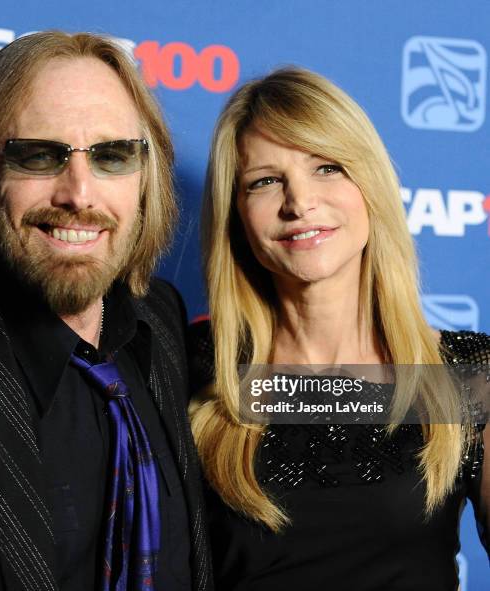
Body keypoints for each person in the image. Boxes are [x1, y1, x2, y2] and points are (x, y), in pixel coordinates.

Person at [0, 31, 212, 591]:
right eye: (38, 155)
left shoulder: (163, 326)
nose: (78, 193)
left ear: (147, 182)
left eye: (112, 156)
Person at [189, 66, 489, 590]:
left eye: (327, 168)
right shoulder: (189, 367)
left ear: (370, 183)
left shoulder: (467, 373)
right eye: (264, 181)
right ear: (236, 215)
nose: (299, 202)